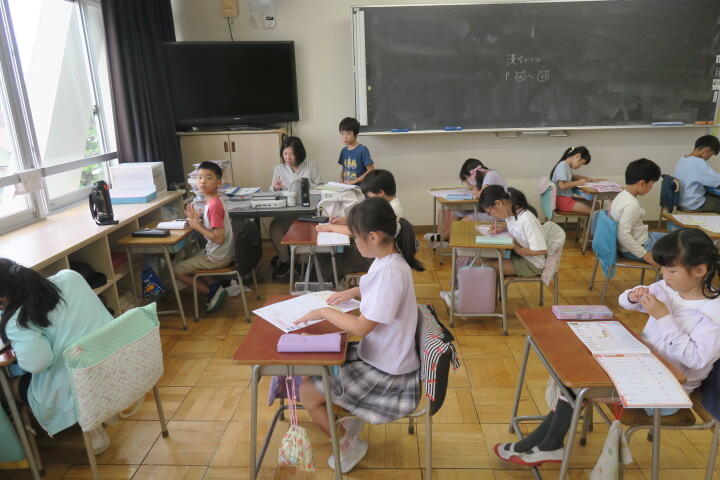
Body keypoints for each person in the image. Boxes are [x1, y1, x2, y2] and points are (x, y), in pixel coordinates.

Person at [494, 229, 720, 466]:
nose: (665, 275)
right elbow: (624, 302)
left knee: (579, 385)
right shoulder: (668, 288)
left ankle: (548, 445)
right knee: (576, 373)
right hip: (643, 365)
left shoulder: (714, 312)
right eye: (663, 269)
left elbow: (696, 359)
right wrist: (633, 296)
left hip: (668, 390)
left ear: (699, 270)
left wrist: (663, 317)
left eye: (672, 271)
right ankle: (547, 443)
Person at [293, 197, 424, 473]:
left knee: (307, 392)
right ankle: (348, 420)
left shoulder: (390, 271)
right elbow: (375, 287)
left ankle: (348, 446)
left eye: (356, 238)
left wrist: (325, 312)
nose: (354, 243)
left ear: (373, 236)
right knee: (311, 367)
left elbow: (362, 327)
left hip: (389, 373)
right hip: (382, 356)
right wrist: (352, 292)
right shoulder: (388, 258)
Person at [0, 261, 114, 452]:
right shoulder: (70, 277)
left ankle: (25, 450)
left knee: (5, 388)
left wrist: (17, 342)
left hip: (79, 385)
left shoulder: (19, 319)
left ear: (3, 298)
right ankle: (94, 416)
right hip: (113, 362)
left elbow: (36, 365)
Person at [174, 161, 235, 312]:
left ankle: (211, 292)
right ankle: (215, 287)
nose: (202, 181)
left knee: (175, 270)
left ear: (218, 182)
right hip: (220, 253)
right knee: (193, 254)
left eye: (208, 178)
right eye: (200, 177)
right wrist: (198, 220)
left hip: (218, 257)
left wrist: (197, 226)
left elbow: (219, 238)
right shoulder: (212, 201)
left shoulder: (214, 206)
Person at [269, 136, 322, 278]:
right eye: (285, 154)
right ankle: (286, 262)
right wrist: (275, 188)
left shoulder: (310, 165)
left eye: (291, 154)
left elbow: (320, 187)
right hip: (287, 214)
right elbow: (272, 192)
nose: (287, 158)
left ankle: (302, 263)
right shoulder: (279, 169)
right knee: (275, 227)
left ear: (299, 153)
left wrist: (308, 186)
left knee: (305, 229)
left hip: (307, 214)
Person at [425, 158, 507, 243]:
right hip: (489, 209)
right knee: (454, 210)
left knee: (466, 219)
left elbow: (482, 194)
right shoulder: (485, 177)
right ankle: (444, 237)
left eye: (467, 179)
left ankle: (443, 237)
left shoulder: (491, 175)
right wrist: (475, 189)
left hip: (498, 213)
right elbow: (479, 192)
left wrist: (474, 190)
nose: (468, 182)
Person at [478, 185, 547, 276]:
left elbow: (542, 250)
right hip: (517, 255)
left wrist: (518, 250)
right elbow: (513, 224)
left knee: (487, 267)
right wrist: (501, 228)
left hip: (532, 263)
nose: (492, 216)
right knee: (482, 258)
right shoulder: (510, 213)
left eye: (490, 213)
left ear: (498, 203)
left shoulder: (527, 220)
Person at [610, 158, 665, 265]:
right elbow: (623, 235)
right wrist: (646, 255)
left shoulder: (622, 195)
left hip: (639, 239)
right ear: (642, 183)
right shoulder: (632, 205)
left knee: (677, 237)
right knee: (681, 247)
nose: (651, 187)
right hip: (639, 247)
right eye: (652, 184)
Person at [318, 169, 403, 237]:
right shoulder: (390, 204)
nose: (368, 199)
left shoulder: (389, 211)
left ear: (380, 192)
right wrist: (347, 220)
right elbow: (365, 219)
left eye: (369, 195)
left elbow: (357, 230)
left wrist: (330, 227)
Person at [672, 135, 720, 212]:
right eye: (711, 155)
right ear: (706, 150)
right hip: (693, 204)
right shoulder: (698, 162)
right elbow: (716, 181)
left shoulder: (682, 159)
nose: (709, 158)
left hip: (681, 202)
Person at [550, 146, 598, 214]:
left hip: (565, 199)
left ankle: (586, 220)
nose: (580, 166)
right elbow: (562, 186)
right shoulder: (562, 166)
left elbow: (573, 176)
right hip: (562, 201)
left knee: (596, 204)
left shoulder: (566, 166)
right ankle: (590, 219)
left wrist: (587, 178)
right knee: (592, 210)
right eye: (582, 163)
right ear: (577, 156)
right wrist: (578, 182)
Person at [338, 117, 375, 185]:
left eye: (348, 134)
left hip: (360, 187)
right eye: (342, 133)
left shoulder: (362, 150)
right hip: (347, 186)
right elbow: (344, 168)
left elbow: (371, 170)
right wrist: (341, 177)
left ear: (355, 135)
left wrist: (354, 181)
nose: (345, 137)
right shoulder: (343, 151)